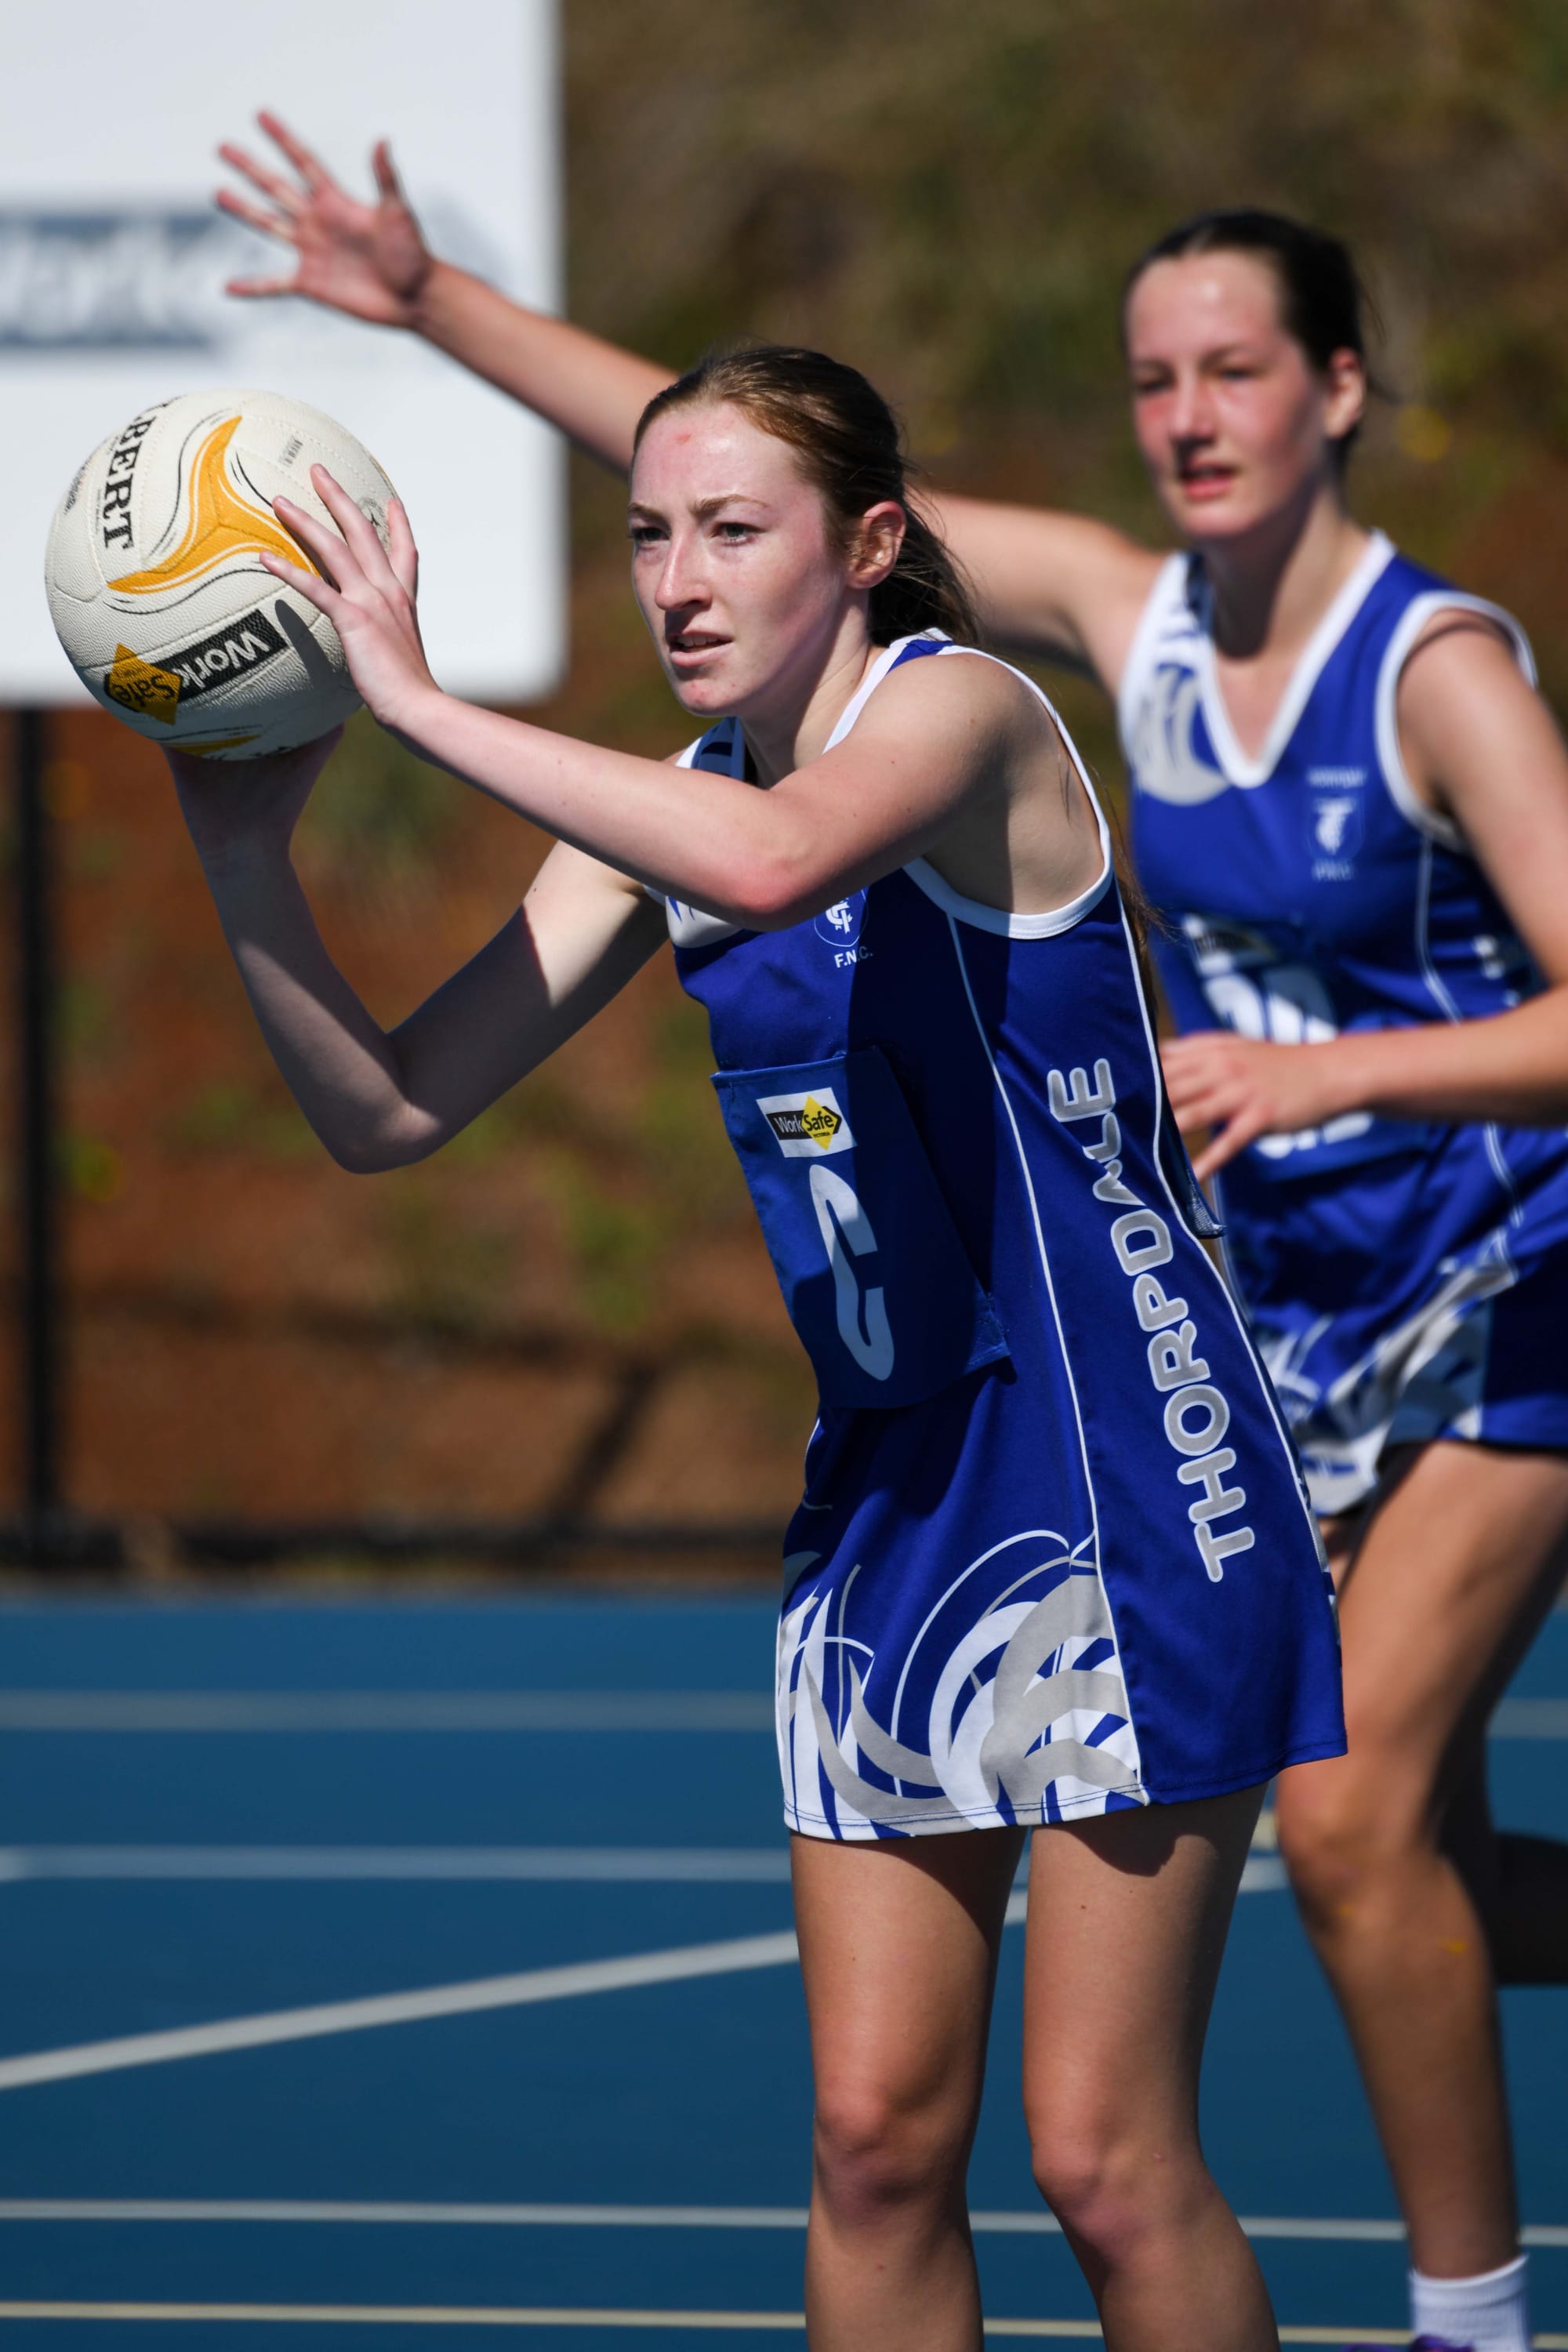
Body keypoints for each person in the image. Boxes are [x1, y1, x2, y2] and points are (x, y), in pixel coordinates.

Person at [211, 123, 1568, 2352]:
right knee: (869, 2140)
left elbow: (774, 872)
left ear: (867, 547)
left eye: (731, 529)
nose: (674, 572)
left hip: (1132, 1484)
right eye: (645, 532)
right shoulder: (683, 800)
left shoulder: (963, 717)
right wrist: (246, 849)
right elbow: (381, 1111)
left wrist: (426, 703)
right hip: (893, 1503)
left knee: (1109, 2166)